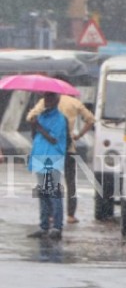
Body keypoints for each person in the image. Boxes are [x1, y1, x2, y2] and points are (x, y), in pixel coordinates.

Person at [26, 92, 95, 224]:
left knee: (51, 188)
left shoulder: (45, 105)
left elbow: (30, 117)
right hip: (68, 148)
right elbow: (91, 120)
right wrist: (79, 135)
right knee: (69, 182)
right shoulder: (75, 103)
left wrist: (37, 124)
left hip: (54, 150)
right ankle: (70, 214)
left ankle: (53, 218)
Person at [25, 92, 70, 240]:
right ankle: (44, 226)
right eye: (45, 98)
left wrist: (38, 126)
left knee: (54, 194)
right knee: (43, 194)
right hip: (39, 157)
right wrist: (33, 125)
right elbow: (35, 136)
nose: (47, 101)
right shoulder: (42, 116)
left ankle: (57, 227)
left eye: (50, 98)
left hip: (52, 158)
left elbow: (53, 139)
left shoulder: (60, 119)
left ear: (56, 101)